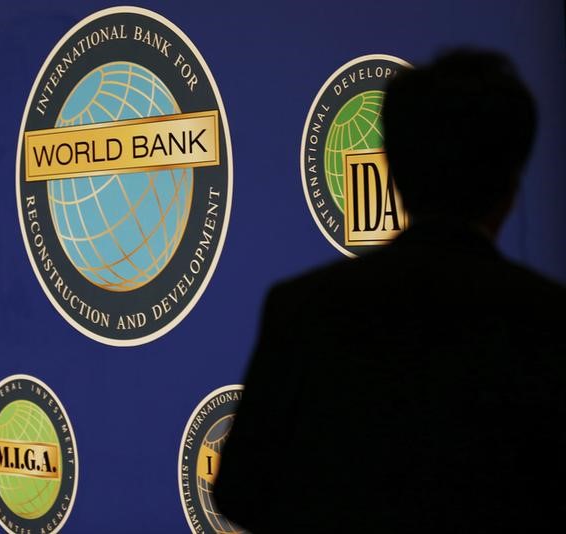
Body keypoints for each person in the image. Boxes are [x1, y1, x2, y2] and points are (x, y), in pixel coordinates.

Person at [213, 49, 566, 533]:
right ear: (511, 183)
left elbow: (240, 491)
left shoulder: (304, 309)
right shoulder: (551, 322)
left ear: (395, 173)